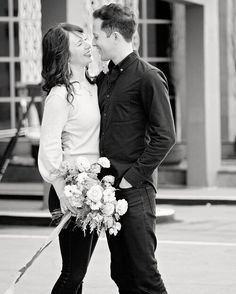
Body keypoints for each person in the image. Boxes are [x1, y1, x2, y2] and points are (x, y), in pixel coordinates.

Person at [93, 4, 176, 294]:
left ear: (114, 36)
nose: (94, 43)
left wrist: (131, 177)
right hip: (109, 191)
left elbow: (166, 136)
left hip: (135, 189)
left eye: (97, 37)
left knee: (145, 275)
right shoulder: (106, 78)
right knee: (122, 273)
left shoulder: (148, 76)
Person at [38, 23, 100, 294]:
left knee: (80, 272)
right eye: (79, 43)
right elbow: (49, 148)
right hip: (71, 190)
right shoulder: (60, 94)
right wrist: (64, 191)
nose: (88, 45)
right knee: (73, 272)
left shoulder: (95, 86)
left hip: (96, 189)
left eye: (86, 39)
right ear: (63, 54)